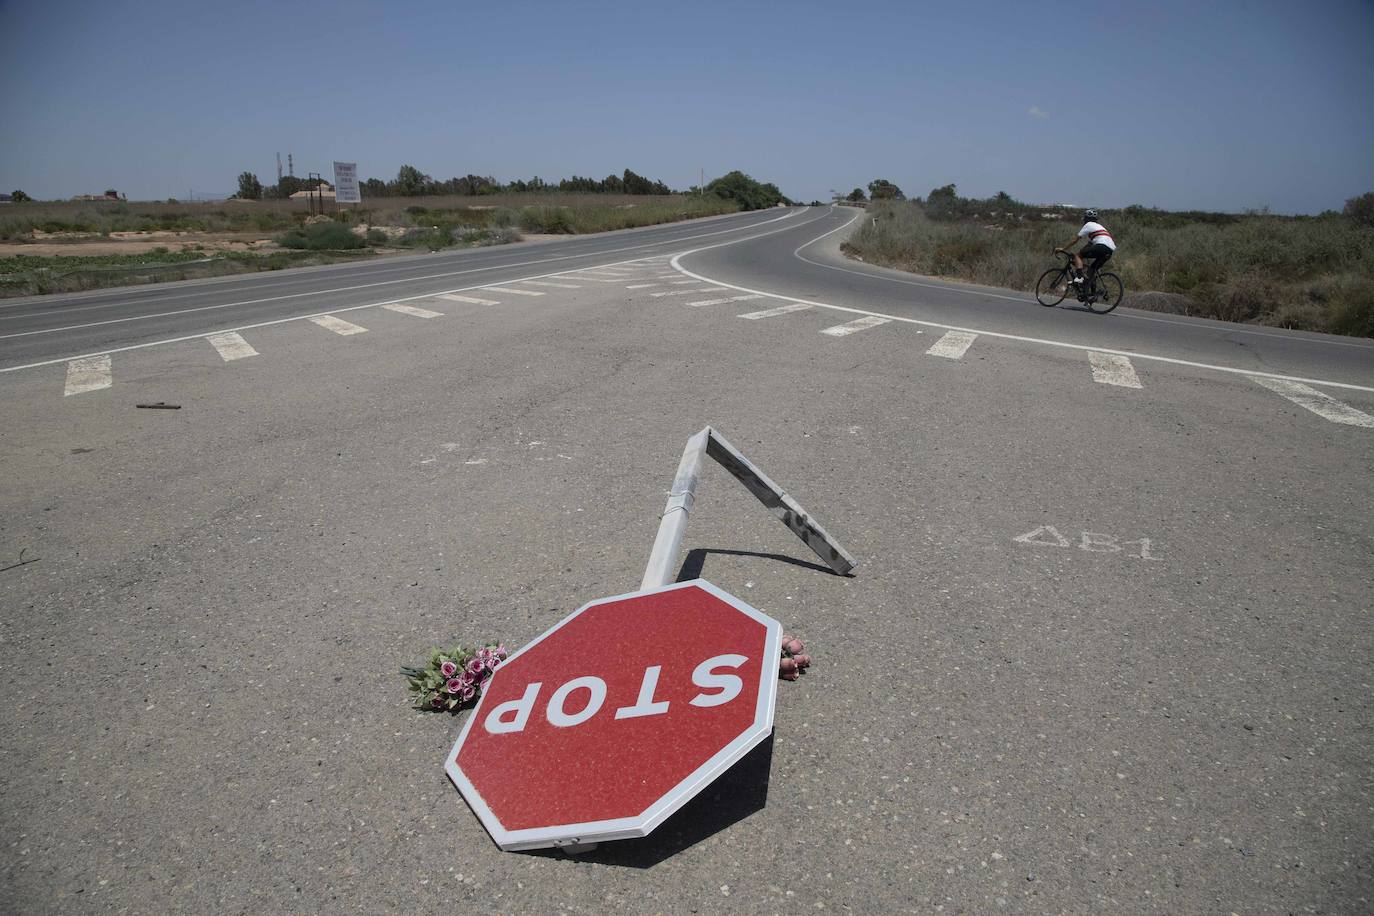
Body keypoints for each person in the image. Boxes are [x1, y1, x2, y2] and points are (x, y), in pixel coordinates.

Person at [1054, 209, 1116, 297]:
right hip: (1110, 250)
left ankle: (1079, 278)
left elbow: (1075, 239)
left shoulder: (1088, 225)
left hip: (1101, 246)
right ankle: (1091, 295)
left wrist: (1063, 249)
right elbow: (1089, 245)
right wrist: (1079, 255)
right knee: (1091, 270)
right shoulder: (1099, 227)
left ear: (1086, 218)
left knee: (1078, 256)